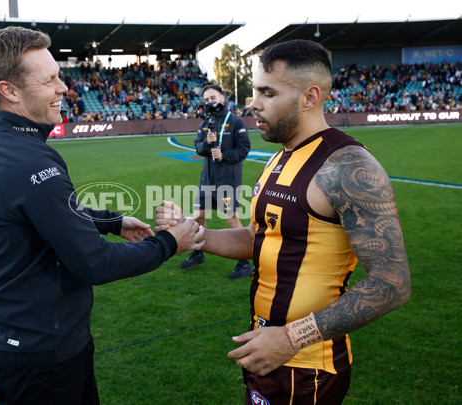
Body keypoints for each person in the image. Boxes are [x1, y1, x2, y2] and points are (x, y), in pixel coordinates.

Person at [155, 39, 411, 404]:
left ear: (309, 97)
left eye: (266, 92)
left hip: (307, 366)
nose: (253, 103)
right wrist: (192, 232)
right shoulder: (280, 157)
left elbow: (393, 282)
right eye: (255, 91)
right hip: (265, 349)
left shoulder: (349, 167)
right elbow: (260, 238)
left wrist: (291, 338)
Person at [0, 26, 204, 405]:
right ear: (9, 91)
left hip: (28, 340)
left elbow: (47, 216)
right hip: (41, 353)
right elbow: (94, 262)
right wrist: (169, 243)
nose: (64, 88)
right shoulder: (27, 159)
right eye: (49, 80)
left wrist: (113, 221)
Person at [181, 83, 253, 279]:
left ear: (222, 98)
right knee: (198, 216)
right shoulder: (206, 123)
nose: (209, 102)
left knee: (231, 218)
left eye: (212, 98)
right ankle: (198, 253)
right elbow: (198, 148)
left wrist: (224, 155)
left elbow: (244, 149)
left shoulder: (236, 122)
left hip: (227, 181)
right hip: (207, 180)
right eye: (205, 100)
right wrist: (207, 143)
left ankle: (244, 261)